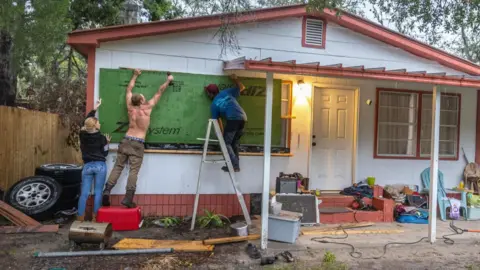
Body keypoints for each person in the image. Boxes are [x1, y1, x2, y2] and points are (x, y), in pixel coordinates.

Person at [103, 69, 174, 208]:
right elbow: (160, 91)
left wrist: (135, 75)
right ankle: (128, 199)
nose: (144, 97)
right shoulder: (147, 108)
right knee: (133, 171)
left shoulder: (130, 107)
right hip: (138, 143)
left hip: (126, 139)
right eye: (143, 96)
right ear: (141, 100)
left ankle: (107, 190)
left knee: (118, 167)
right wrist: (168, 80)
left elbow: (128, 89)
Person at [204, 74, 247, 172]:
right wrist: (235, 79)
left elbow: (216, 122)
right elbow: (242, 87)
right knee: (233, 143)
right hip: (243, 118)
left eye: (207, 93)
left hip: (233, 119)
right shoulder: (226, 92)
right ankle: (236, 166)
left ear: (211, 94)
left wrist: (221, 137)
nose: (207, 95)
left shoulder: (214, 104)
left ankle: (233, 164)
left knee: (226, 143)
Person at [77, 99, 111, 222]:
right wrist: (107, 143)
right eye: (98, 122)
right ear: (96, 125)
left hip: (87, 166)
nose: (100, 123)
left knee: (84, 193)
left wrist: (95, 108)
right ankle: (96, 217)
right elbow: (105, 153)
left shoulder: (82, 135)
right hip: (100, 166)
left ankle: (80, 217)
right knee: (98, 192)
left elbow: (87, 120)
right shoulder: (101, 138)